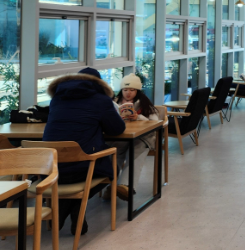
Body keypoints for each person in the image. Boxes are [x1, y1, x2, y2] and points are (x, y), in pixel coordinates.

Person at [43, 67, 125, 235]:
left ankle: (66, 206)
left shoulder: (56, 99)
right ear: (99, 84)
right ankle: (78, 204)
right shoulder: (101, 100)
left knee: (82, 163)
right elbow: (117, 129)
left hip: (49, 167)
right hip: (82, 168)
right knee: (112, 170)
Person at [108, 74, 160, 201]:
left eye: (132, 90)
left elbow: (155, 122)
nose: (128, 93)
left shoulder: (144, 103)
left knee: (135, 152)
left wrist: (138, 117)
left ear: (137, 91)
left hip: (142, 137)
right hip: (121, 136)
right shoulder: (114, 102)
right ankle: (110, 187)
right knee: (114, 153)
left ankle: (126, 186)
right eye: (125, 90)